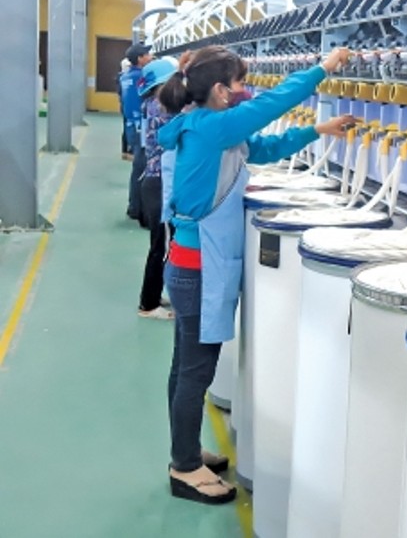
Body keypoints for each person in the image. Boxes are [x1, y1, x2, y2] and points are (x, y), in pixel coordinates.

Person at [157, 45, 354, 504]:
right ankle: (184, 468)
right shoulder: (213, 126)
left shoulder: (209, 127)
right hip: (197, 269)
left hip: (190, 264)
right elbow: (272, 104)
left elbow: (262, 148)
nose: (245, 90)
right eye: (240, 83)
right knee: (195, 372)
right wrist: (322, 68)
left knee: (185, 367)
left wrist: (317, 130)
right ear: (220, 91)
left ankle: (186, 451)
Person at [136, 57, 179, 321]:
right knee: (161, 246)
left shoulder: (151, 103)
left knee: (160, 244)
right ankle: (148, 304)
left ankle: (153, 295)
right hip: (159, 182)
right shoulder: (163, 106)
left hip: (152, 181)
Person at [121, 43, 153, 224]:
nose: (150, 56)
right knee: (142, 169)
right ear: (140, 58)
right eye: (147, 54)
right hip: (141, 127)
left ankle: (134, 206)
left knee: (138, 167)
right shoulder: (142, 76)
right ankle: (137, 209)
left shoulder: (126, 76)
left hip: (131, 125)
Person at [117, 58, 133, 160]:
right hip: (129, 107)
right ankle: (129, 151)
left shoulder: (122, 78)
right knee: (130, 128)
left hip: (125, 106)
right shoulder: (125, 78)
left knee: (126, 128)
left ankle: (125, 151)